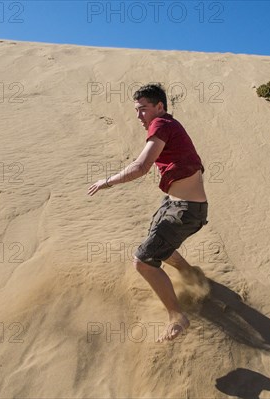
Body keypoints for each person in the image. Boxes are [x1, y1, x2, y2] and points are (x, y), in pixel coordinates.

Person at [88, 83, 208, 342]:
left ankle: (177, 317)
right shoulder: (171, 128)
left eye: (143, 109)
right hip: (177, 204)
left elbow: (141, 166)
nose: (139, 116)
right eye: (136, 110)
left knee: (143, 262)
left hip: (185, 210)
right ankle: (193, 277)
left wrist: (107, 181)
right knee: (159, 246)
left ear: (160, 107)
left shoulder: (162, 124)